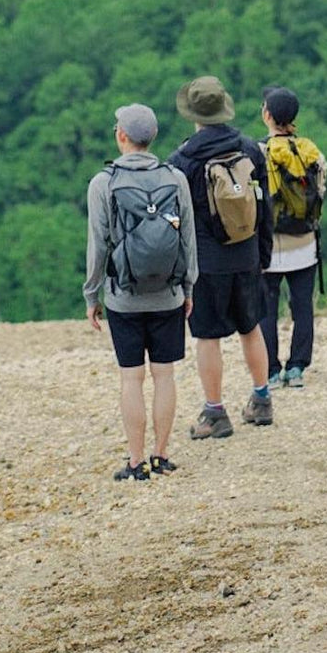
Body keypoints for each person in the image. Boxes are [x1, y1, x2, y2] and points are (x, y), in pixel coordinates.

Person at [84, 103, 197, 481]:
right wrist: (188, 287)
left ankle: (135, 462)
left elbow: (98, 245)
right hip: (168, 294)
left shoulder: (104, 183)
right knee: (164, 375)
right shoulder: (175, 178)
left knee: (131, 378)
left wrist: (91, 295)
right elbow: (187, 240)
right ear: (153, 138)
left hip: (123, 297)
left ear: (121, 136)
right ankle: (161, 455)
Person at [167, 75, 275, 438]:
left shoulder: (183, 160)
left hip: (207, 264)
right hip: (246, 256)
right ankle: (262, 400)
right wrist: (263, 253)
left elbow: (176, 221)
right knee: (251, 327)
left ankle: (215, 412)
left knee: (208, 338)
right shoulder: (249, 149)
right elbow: (265, 206)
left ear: (193, 114)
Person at [258, 85, 327, 390]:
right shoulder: (311, 151)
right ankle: (297, 367)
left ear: (267, 115)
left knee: (266, 311)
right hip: (305, 244)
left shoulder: (258, 152)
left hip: (269, 247)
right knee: (302, 308)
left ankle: (270, 371)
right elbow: (320, 192)